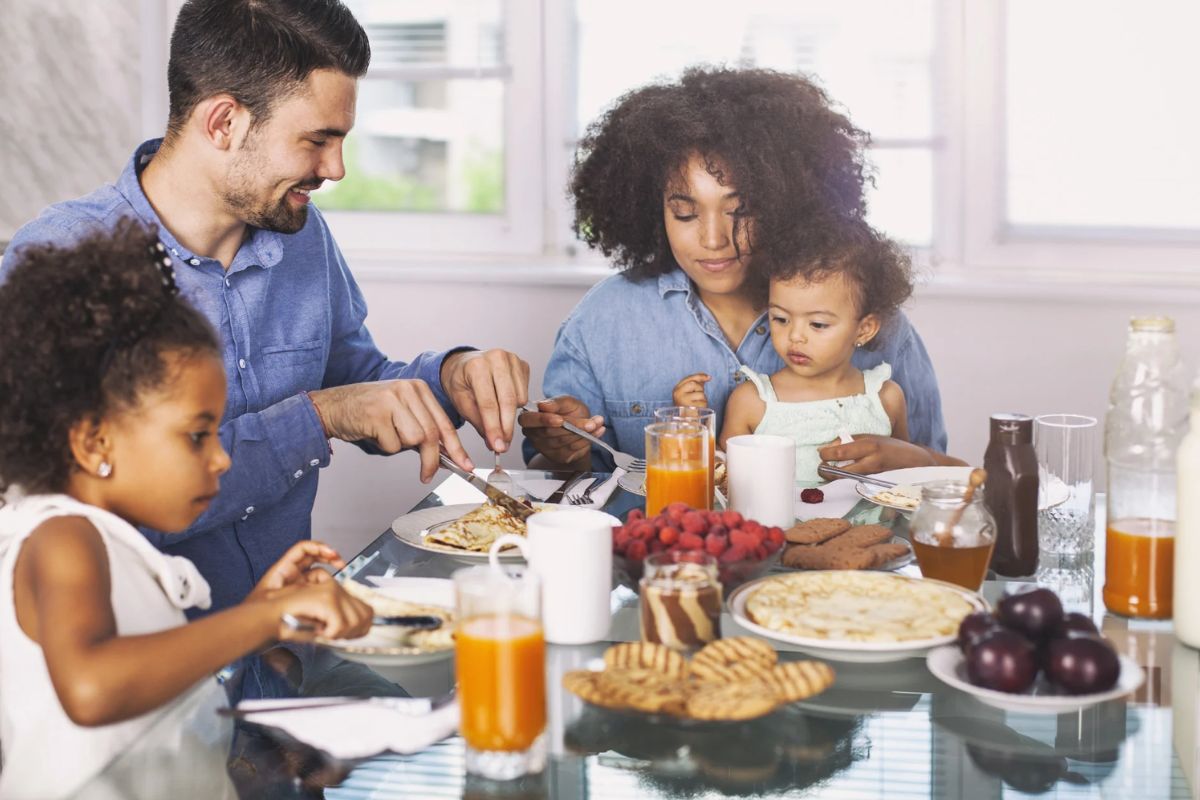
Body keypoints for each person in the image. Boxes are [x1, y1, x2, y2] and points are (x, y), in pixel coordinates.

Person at [0, 0, 530, 612]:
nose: (337, 168)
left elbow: (356, 384)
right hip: (161, 669)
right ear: (223, 122)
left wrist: (451, 377)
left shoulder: (301, 233)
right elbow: (70, 511)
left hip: (293, 646)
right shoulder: (65, 258)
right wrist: (319, 418)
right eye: (317, 140)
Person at [0, 223, 375, 799]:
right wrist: (264, 622)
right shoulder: (60, 538)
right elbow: (93, 688)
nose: (222, 458)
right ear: (94, 443)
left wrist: (255, 613)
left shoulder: (109, 540)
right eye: (198, 436)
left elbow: (156, 683)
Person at [521, 66, 956, 475]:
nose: (714, 239)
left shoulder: (871, 317)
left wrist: (904, 459)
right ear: (653, 212)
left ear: (787, 200)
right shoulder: (603, 321)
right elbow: (549, 481)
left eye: (740, 210)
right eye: (685, 214)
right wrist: (565, 450)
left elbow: (933, 475)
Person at [718, 225, 917, 482]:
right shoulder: (752, 402)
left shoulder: (885, 399)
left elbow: (907, 479)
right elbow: (725, 484)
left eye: (818, 324)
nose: (795, 336)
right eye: (780, 318)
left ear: (864, 330)